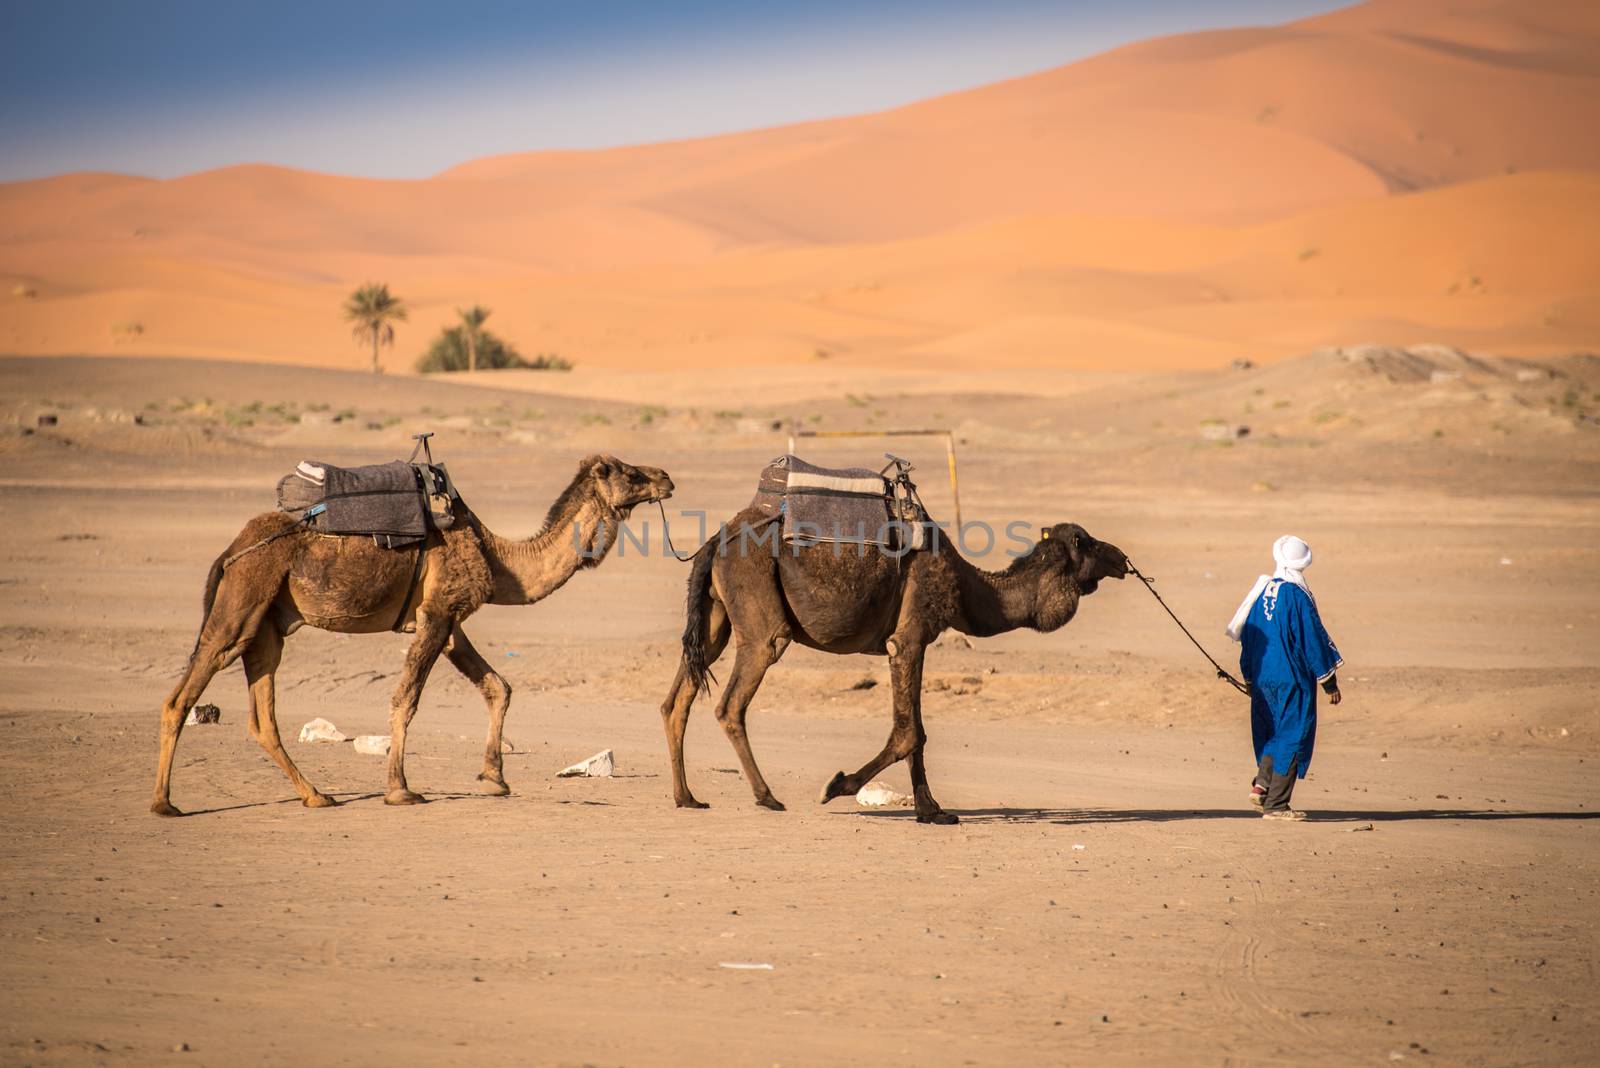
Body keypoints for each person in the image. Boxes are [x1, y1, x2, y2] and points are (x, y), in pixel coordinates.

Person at [1225, 535, 1342, 821]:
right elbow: (1312, 639)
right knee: (1293, 734)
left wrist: (1249, 678)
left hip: (1263, 677)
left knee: (1272, 733)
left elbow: (1249, 638)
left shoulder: (1259, 592)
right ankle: (1276, 805)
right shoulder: (1297, 596)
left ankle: (1262, 785)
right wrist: (1329, 682)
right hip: (1292, 677)